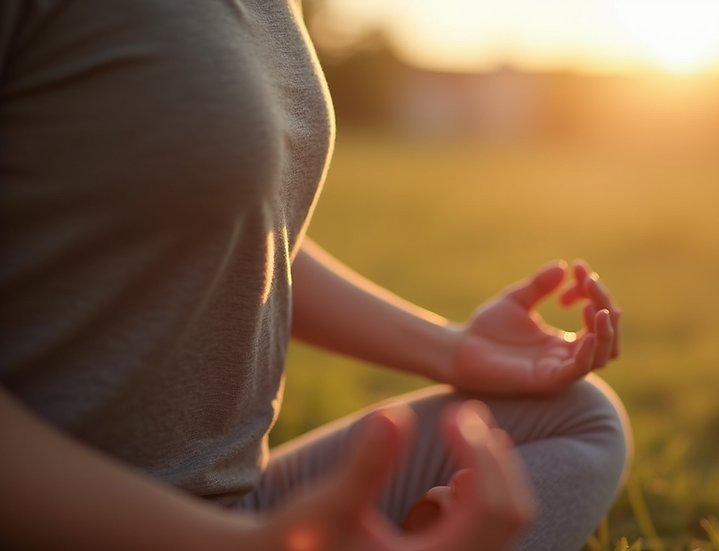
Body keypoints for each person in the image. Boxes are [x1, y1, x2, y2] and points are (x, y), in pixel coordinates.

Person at [0, 1, 631, 550]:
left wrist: (452, 346)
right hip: (67, 522)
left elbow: (226, 230)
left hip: (236, 509)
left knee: (576, 419)